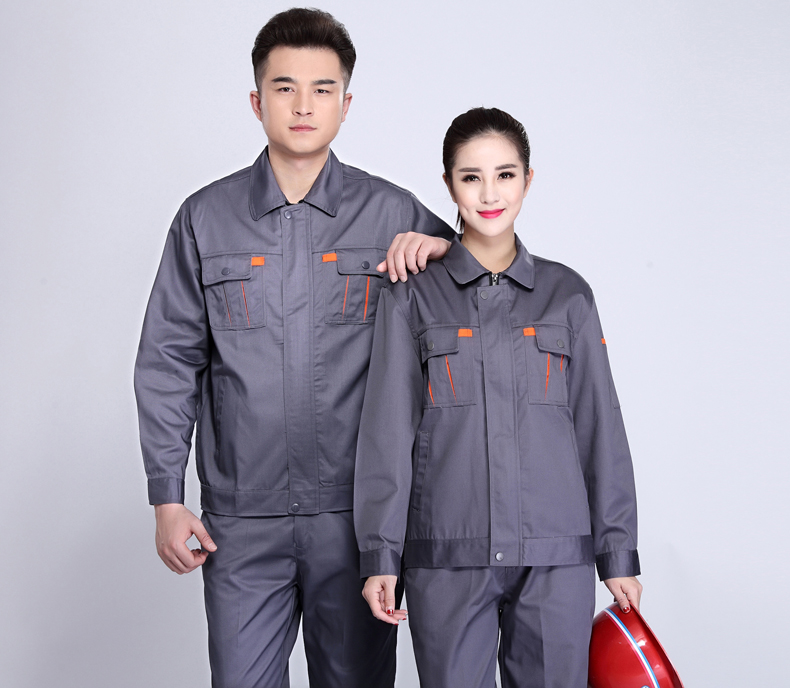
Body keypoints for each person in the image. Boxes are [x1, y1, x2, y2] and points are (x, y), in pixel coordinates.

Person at [133, 8, 454, 688]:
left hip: (358, 523)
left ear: (345, 104)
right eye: (284, 88)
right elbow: (168, 359)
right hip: (241, 524)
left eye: (322, 89)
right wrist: (167, 495)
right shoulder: (204, 219)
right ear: (257, 102)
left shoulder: (393, 213)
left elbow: (484, 293)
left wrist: (446, 249)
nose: (303, 106)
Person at [354, 107, 642, 687]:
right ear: (449, 185)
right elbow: (388, 431)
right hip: (447, 556)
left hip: (555, 557)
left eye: (505, 175)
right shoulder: (412, 297)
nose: (490, 194)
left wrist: (617, 555)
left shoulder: (569, 296)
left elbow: (600, 428)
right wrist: (380, 555)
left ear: (528, 180)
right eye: (471, 177)